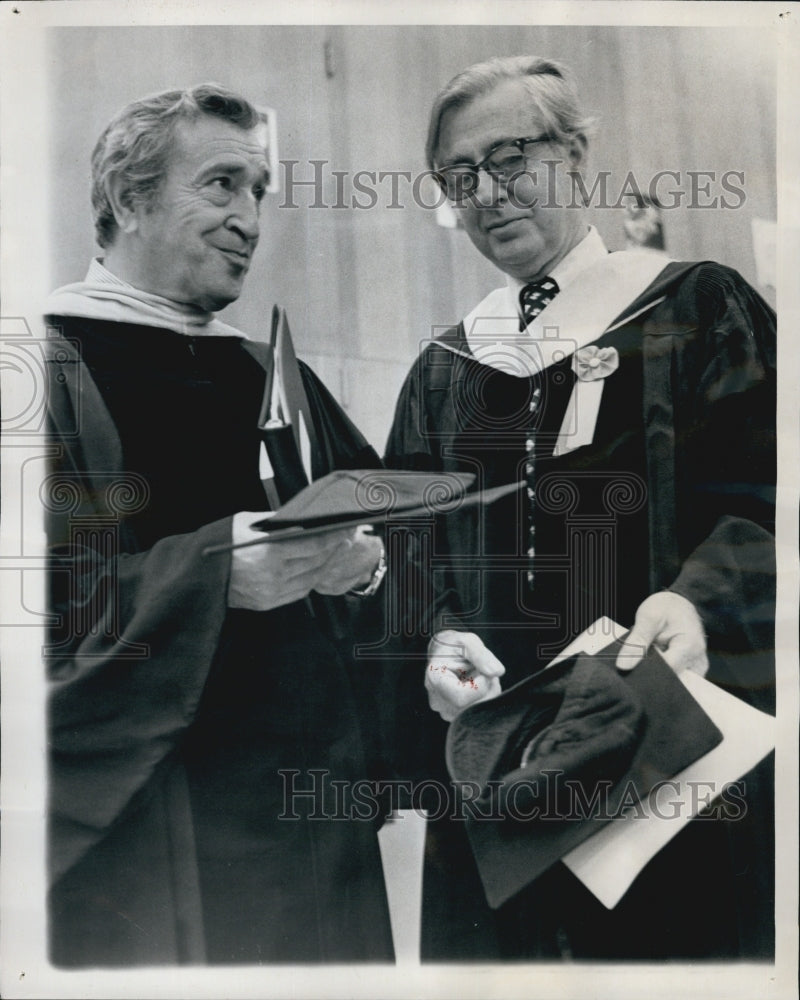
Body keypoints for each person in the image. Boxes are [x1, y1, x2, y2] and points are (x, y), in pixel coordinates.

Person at [384, 56, 776, 961]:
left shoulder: (695, 309)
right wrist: (438, 633)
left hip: (666, 761)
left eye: (511, 156)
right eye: (459, 176)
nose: (487, 192)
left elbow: (770, 495)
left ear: (576, 155)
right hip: (498, 779)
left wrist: (700, 600)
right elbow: (408, 552)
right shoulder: (447, 370)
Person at [44, 83, 394, 966]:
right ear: (129, 198)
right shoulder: (42, 369)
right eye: (222, 184)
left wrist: (365, 568)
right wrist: (210, 575)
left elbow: (383, 522)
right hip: (160, 825)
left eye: (259, 192)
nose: (249, 218)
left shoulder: (265, 369)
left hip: (314, 819)